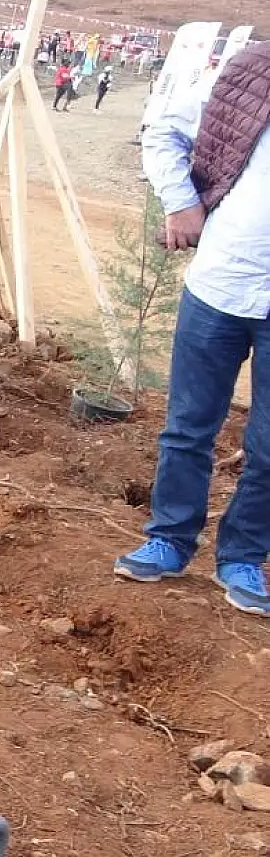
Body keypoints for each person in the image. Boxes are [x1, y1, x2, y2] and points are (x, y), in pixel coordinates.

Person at [115, 41, 270, 617]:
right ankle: (170, 539)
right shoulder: (251, 73)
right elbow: (162, 131)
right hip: (221, 284)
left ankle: (243, 556)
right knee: (187, 428)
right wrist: (181, 204)